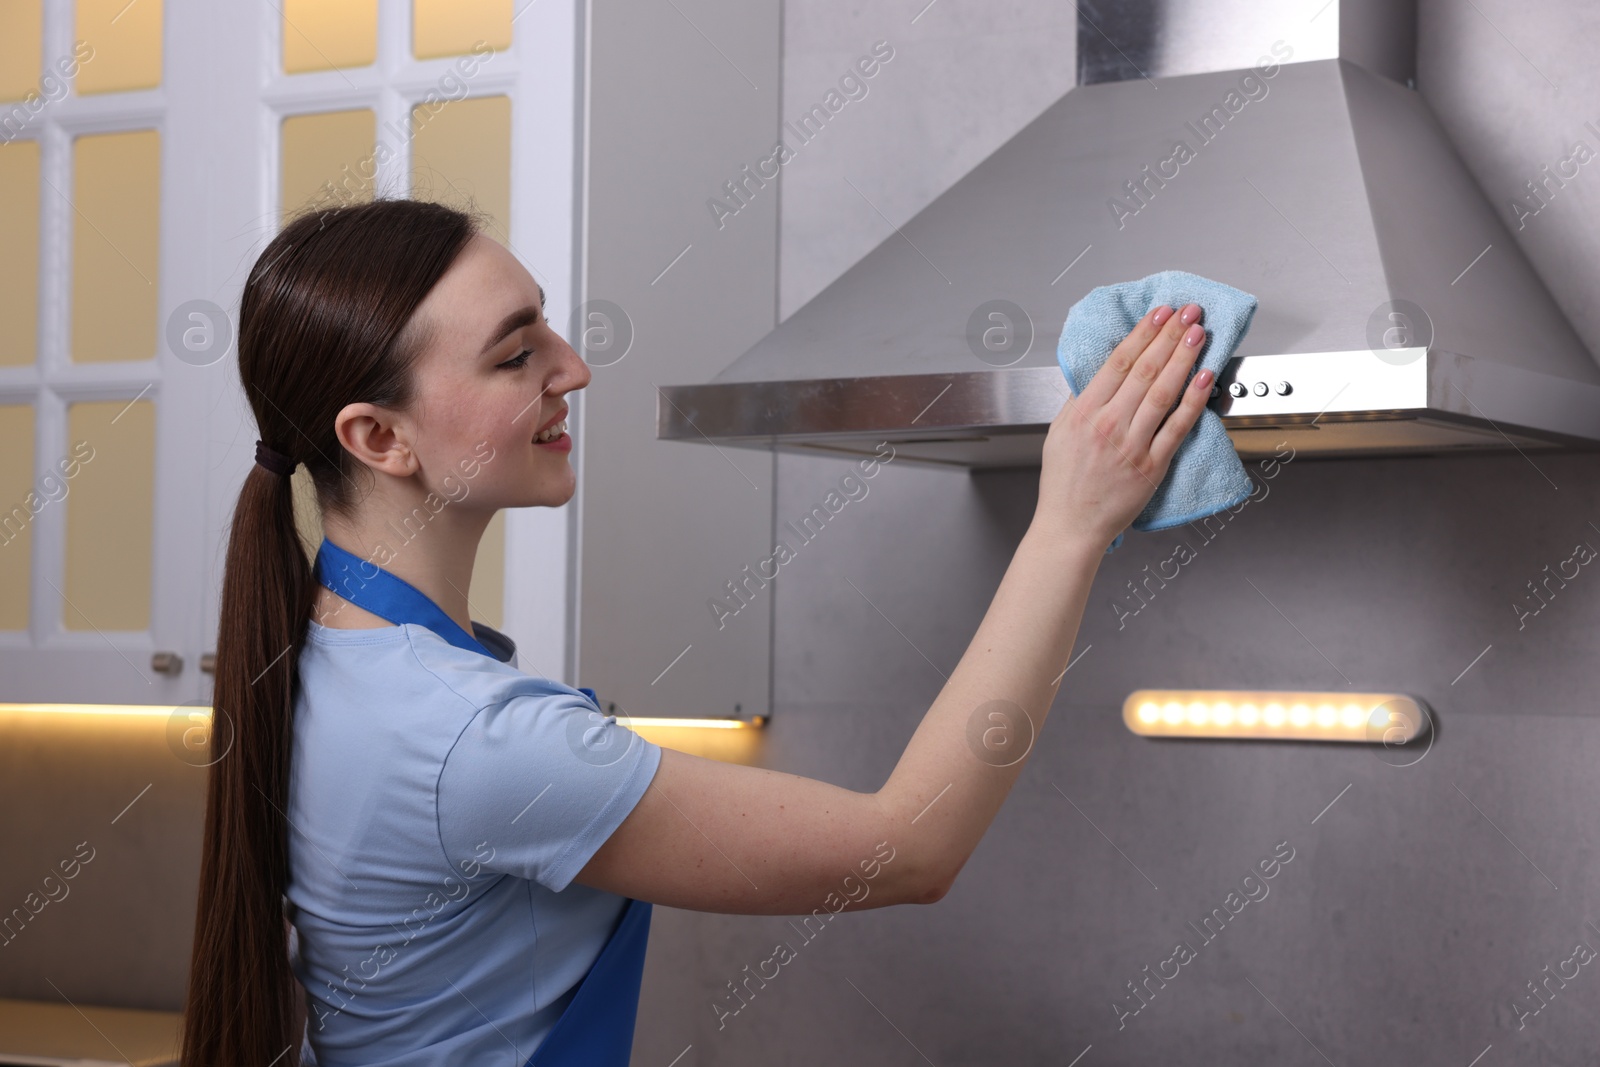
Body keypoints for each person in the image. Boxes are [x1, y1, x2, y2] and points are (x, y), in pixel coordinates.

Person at [181, 196, 1214, 1066]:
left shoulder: (332, 657)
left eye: (548, 327)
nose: (574, 367)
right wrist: (1071, 522)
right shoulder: (477, 740)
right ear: (379, 437)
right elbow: (905, 847)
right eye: (515, 354)